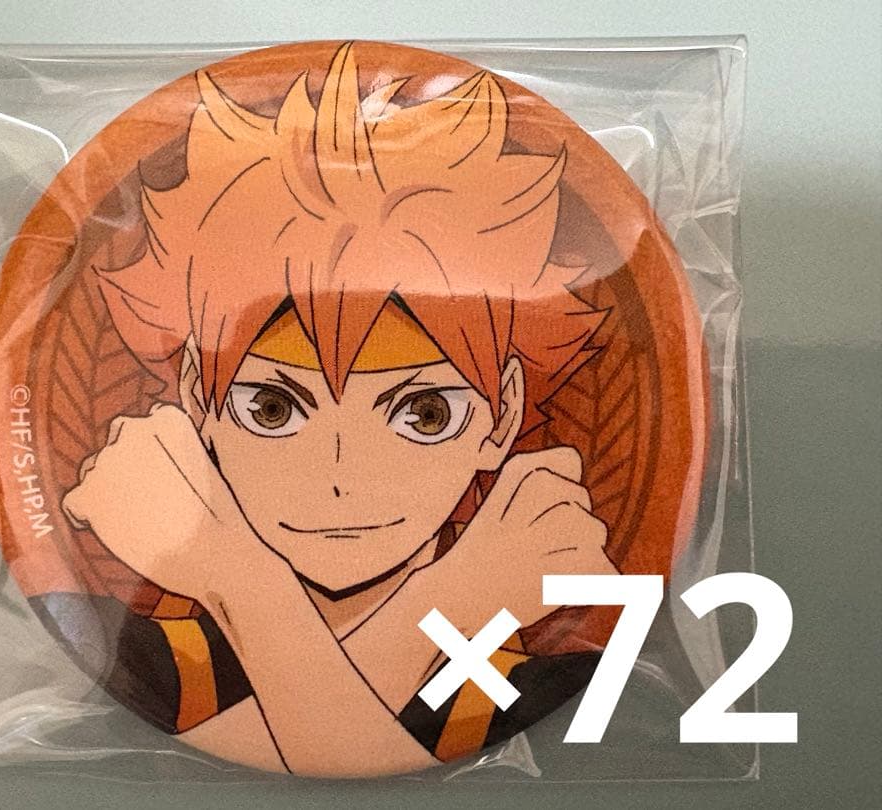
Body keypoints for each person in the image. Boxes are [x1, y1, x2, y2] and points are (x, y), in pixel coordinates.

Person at [60, 41, 618, 776]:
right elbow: (330, 741)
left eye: (423, 414)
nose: (340, 478)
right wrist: (454, 601)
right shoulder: (135, 655)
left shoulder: (536, 677)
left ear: (504, 413)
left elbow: (327, 740)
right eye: (272, 407)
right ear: (195, 397)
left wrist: (236, 576)